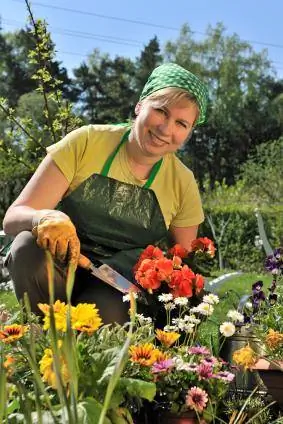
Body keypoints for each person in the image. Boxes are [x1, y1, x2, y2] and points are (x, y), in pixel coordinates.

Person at [3, 63, 208, 324]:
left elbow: (184, 265)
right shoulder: (87, 142)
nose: (166, 129)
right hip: (59, 267)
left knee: (104, 313)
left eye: (181, 123)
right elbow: (13, 217)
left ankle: (88, 359)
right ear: (139, 105)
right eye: (161, 111)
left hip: (118, 287)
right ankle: (43, 340)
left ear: (189, 132)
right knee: (25, 248)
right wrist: (44, 217)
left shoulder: (183, 182)